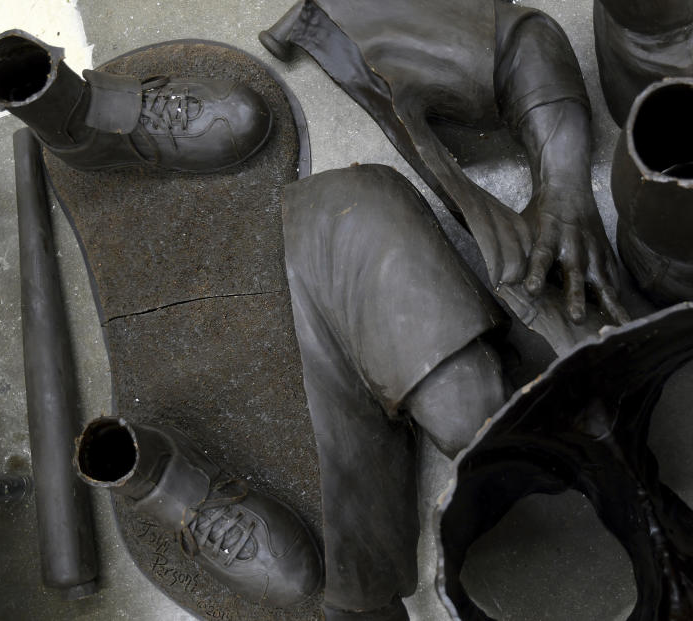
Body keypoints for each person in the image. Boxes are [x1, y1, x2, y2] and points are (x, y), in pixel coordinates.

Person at [266, 1, 630, 617]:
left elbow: (526, 43)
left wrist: (566, 182)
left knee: (480, 415)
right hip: (316, 276)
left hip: (347, 232)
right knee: (475, 418)